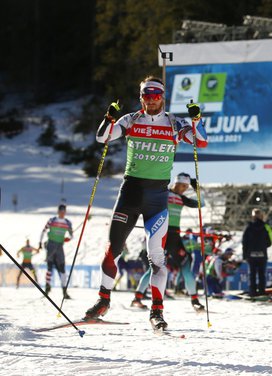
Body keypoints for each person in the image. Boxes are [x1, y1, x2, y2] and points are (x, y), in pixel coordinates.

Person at [84, 76, 208, 331]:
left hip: (157, 198)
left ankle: (157, 311)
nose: (151, 101)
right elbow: (102, 138)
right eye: (146, 96)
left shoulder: (175, 123)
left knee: (157, 259)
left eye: (155, 96)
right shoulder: (131, 119)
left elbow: (201, 141)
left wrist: (197, 121)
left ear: (162, 97)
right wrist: (108, 118)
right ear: (141, 97)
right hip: (129, 193)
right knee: (111, 251)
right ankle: (103, 301)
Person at [131, 172, 204, 312]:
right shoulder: (163, 193)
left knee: (186, 267)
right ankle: (137, 298)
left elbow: (201, 204)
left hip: (175, 238)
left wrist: (197, 189)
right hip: (162, 233)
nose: (183, 189)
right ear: (175, 183)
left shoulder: (182, 198)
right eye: (182, 185)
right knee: (154, 268)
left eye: (186, 186)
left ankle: (195, 300)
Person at [39, 204, 73, 298]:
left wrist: (68, 238)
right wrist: (40, 243)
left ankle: (64, 291)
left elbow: (71, 235)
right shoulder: (52, 220)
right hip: (51, 245)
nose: (62, 213)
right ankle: (47, 289)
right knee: (49, 267)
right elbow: (44, 231)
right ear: (58, 211)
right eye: (61, 211)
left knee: (62, 269)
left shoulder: (67, 223)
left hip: (60, 247)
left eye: (64, 211)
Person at [241, 208, 272, 297]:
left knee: (252, 274)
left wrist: (245, 254)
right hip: (262, 254)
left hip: (251, 255)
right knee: (262, 274)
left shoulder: (248, 227)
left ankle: (252, 292)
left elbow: (244, 242)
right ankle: (262, 292)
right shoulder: (266, 227)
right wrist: (262, 246)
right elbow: (270, 241)